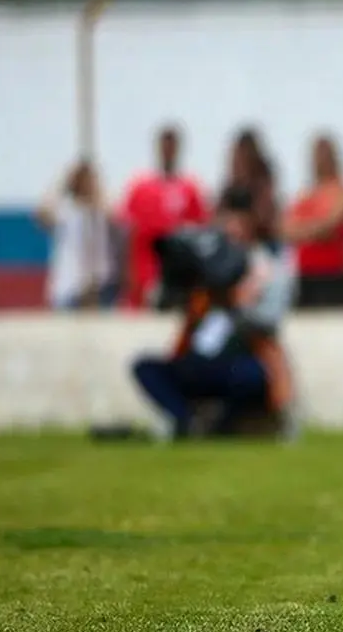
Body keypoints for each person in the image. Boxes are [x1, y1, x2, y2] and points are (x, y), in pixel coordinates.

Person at [129, 186, 295, 441]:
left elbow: (268, 321)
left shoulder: (264, 267)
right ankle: (186, 422)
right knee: (146, 368)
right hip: (197, 361)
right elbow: (160, 302)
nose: (231, 230)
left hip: (236, 359)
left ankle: (220, 427)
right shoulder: (202, 263)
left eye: (238, 223)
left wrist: (234, 297)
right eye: (226, 221)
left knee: (252, 376)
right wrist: (186, 282)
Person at [118, 126, 209, 310]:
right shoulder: (140, 188)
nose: (168, 151)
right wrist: (126, 273)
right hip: (144, 273)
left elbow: (200, 232)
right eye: (165, 146)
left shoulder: (190, 189)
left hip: (178, 279)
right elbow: (127, 232)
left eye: (172, 146)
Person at [283, 134, 343, 309]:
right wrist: (316, 230)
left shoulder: (341, 192)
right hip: (307, 277)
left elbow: (331, 225)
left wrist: (306, 230)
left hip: (334, 278)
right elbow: (287, 230)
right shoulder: (305, 194)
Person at [36, 159, 119, 309]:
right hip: (70, 287)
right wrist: (61, 184)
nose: (85, 184)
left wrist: (96, 190)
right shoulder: (66, 210)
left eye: (89, 180)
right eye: (81, 180)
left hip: (99, 287)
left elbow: (116, 215)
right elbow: (42, 215)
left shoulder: (101, 209)